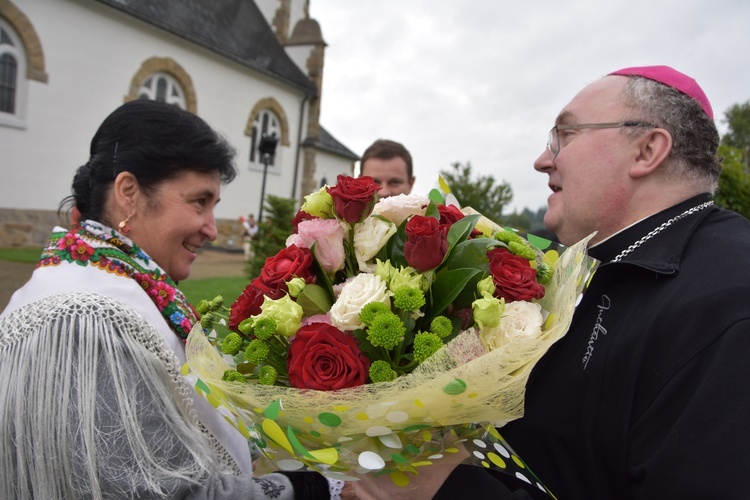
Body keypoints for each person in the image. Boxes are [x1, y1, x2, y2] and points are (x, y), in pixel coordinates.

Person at [357, 65, 750, 499]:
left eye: (565, 135)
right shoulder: (585, 267)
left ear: (647, 150)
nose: (543, 160)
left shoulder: (730, 302)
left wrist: (444, 491)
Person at [0, 100, 329, 499]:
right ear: (129, 193)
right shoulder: (89, 317)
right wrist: (316, 488)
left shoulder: (105, 284)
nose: (211, 228)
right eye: (198, 201)